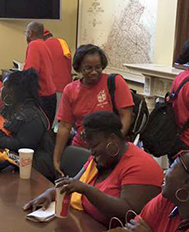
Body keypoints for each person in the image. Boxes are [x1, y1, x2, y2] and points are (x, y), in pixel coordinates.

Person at [24, 111, 163, 226]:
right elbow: (73, 184)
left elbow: (128, 213)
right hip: (82, 226)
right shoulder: (101, 157)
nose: (92, 152)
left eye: (94, 146)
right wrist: (50, 193)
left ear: (113, 139)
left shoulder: (141, 166)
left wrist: (87, 190)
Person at [54, 44, 134, 176]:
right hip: (81, 147)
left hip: (108, 150)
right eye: (88, 68)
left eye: (98, 67)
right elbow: (64, 126)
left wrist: (113, 144)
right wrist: (56, 159)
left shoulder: (115, 83)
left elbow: (126, 116)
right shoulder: (70, 90)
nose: (94, 72)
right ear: (79, 68)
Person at [0, 69, 55, 181]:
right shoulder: (10, 108)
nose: (1, 89)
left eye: (3, 86)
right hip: (16, 163)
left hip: (35, 171)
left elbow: (22, 146)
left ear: (12, 91)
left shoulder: (32, 116)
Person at [24, 22, 57, 124]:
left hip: (41, 97)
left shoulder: (33, 45)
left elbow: (31, 73)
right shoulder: (44, 44)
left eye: (26, 33)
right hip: (50, 96)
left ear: (30, 33)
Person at [42, 28, 72, 130]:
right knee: (61, 120)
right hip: (66, 87)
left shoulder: (42, 46)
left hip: (51, 88)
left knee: (50, 122)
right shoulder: (63, 43)